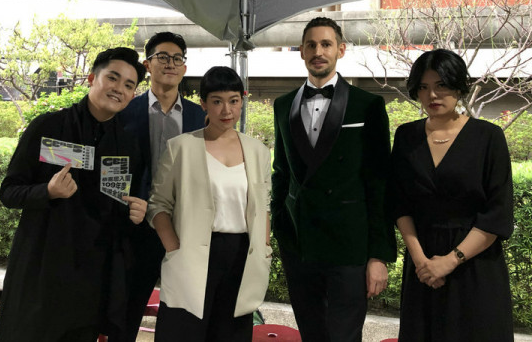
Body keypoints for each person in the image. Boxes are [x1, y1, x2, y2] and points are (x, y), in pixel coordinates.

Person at [0, 47, 148, 342]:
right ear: (92, 78)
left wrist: (136, 213)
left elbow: (118, 206)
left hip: (90, 282)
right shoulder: (49, 127)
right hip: (42, 271)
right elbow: (9, 192)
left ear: (133, 95)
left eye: (129, 85)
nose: (119, 88)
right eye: (113, 78)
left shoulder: (127, 144)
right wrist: (47, 191)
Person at [271, 17, 396, 342]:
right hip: (299, 244)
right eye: (311, 45)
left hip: (349, 247)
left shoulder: (367, 105)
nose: (318, 51)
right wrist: (279, 228)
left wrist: (378, 255)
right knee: (311, 334)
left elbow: (379, 183)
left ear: (340, 49)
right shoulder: (283, 105)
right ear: (301, 51)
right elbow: (281, 172)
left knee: (344, 336)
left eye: (326, 44)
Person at [390, 48, 514, 341]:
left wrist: (451, 260)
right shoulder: (406, 136)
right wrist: (421, 261)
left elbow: (497, 213)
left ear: (458, 86)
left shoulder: (488, 137)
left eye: (441, 85)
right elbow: (398, 203)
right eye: (423, 87)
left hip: (475, 265)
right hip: (422, 267)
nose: (432, 95)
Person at [147, 66, 272, 341]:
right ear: (203, 103)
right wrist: (173, 246)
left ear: (242, 101)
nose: (226, 110)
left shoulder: (258, 151)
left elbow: (263, 206)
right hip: (191, 252)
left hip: (241, 257)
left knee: (230, 334)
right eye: (217, 101)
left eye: (234, 101)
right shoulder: (180, 147)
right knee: (183, 331)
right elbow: (158, 204)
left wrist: (264, 247)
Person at [117, 31, 205, 340]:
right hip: (135, 229)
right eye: (162, 57)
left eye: (177, 58)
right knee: (126, 313)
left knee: (179, 317)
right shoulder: (125, 111)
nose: (170, 64)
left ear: (184, 67)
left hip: (182, 231)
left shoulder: (199, 116)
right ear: (147, 65)